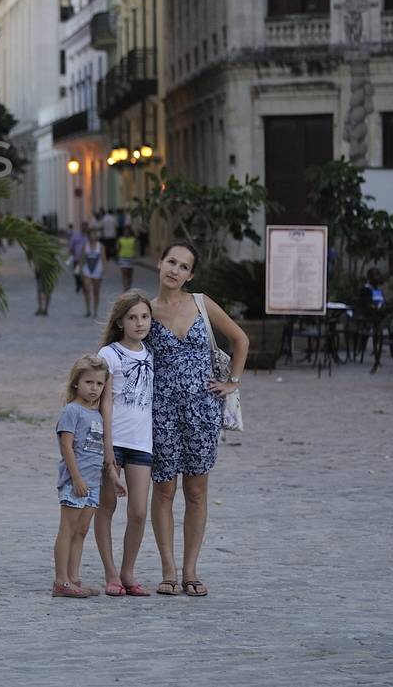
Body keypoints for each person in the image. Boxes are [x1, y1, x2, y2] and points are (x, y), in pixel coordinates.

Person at [147, 240, 249, 598]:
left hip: (202, 413)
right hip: (160, 413)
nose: (175, 270)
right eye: (170, 262)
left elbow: (240, 340)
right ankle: (168, 570)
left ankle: (190, 568)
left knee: (195, 491)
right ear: (159, 264)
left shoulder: (201, 304)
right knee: (163, 490)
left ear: (191, 274)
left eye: (183, 266)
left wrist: (231, 382)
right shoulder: (145, 311)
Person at [94, 291, 156, 598]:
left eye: (144, 316)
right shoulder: (109, 355)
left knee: (139, 511)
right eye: (132, 317)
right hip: (114, 441)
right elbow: (104, 405)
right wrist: (108, 454)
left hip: (142, 444)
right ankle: (111, 573)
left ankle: (128, 571)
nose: (139, 323)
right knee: (106, 508)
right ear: (120, 321)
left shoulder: (152, 355)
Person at [53, 354, 110, 599]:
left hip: (93, 483)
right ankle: (61, 580)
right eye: (89, 383)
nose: (94, 388)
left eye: (99, 384)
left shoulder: (98, 415)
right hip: (75, 482)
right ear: (77, 382)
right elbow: (66, 447)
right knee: (68, 528)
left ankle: (74, 578)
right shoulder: (71, 411)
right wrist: (76, 478)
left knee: (82, 531)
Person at [80, 235, 105, 318]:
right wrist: (80, 270)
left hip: (97, 270)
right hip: (87, 270)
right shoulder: (85, 246)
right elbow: (82, 258)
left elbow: (103, 258)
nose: (92, 237)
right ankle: (88, 310)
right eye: (91, 235)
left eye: (94, 234)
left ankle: (95, 311)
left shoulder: (100, 246)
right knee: (87, 290)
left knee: (96, 291)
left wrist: (104, 270)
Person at [68, 221, 89, 299]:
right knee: (76, 273)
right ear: (81, 227)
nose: (84, 228)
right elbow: (71, 246)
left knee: (84, 274)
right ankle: (78, 284)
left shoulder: (88, 237)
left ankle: (83, 286)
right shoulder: (75, 236)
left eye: (85, 226)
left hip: (86, 260)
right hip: (77, 258)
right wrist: (70, 253)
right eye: (83, 226)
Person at [117, 223, 138, 291]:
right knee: (124, 273)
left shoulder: (133, 239)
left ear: (130, 231)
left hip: (131, 257)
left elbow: (136, 248)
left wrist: (135, 255)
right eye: (125, 231)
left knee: (130, 274)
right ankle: (125, 288)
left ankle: (129, 287)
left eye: (127, 231)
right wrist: (118, 256)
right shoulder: (120, 239)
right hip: (123, 258)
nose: (126, 232)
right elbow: (118, 248)